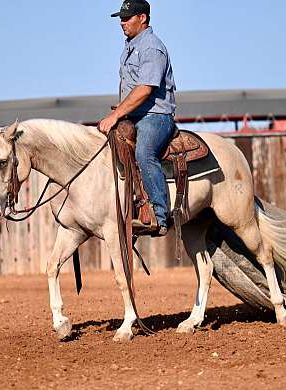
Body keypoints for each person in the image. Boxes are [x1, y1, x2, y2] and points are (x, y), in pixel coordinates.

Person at [99, 0, 176, 237]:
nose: (122, 22)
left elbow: (145, 89)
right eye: (120, 18)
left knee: (144, 152)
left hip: (156, 116)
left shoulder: (152, 47)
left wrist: (116, 114)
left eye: (127, 18)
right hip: (134, 115)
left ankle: (159, 215)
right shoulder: (131, 46)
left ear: (142, 18)